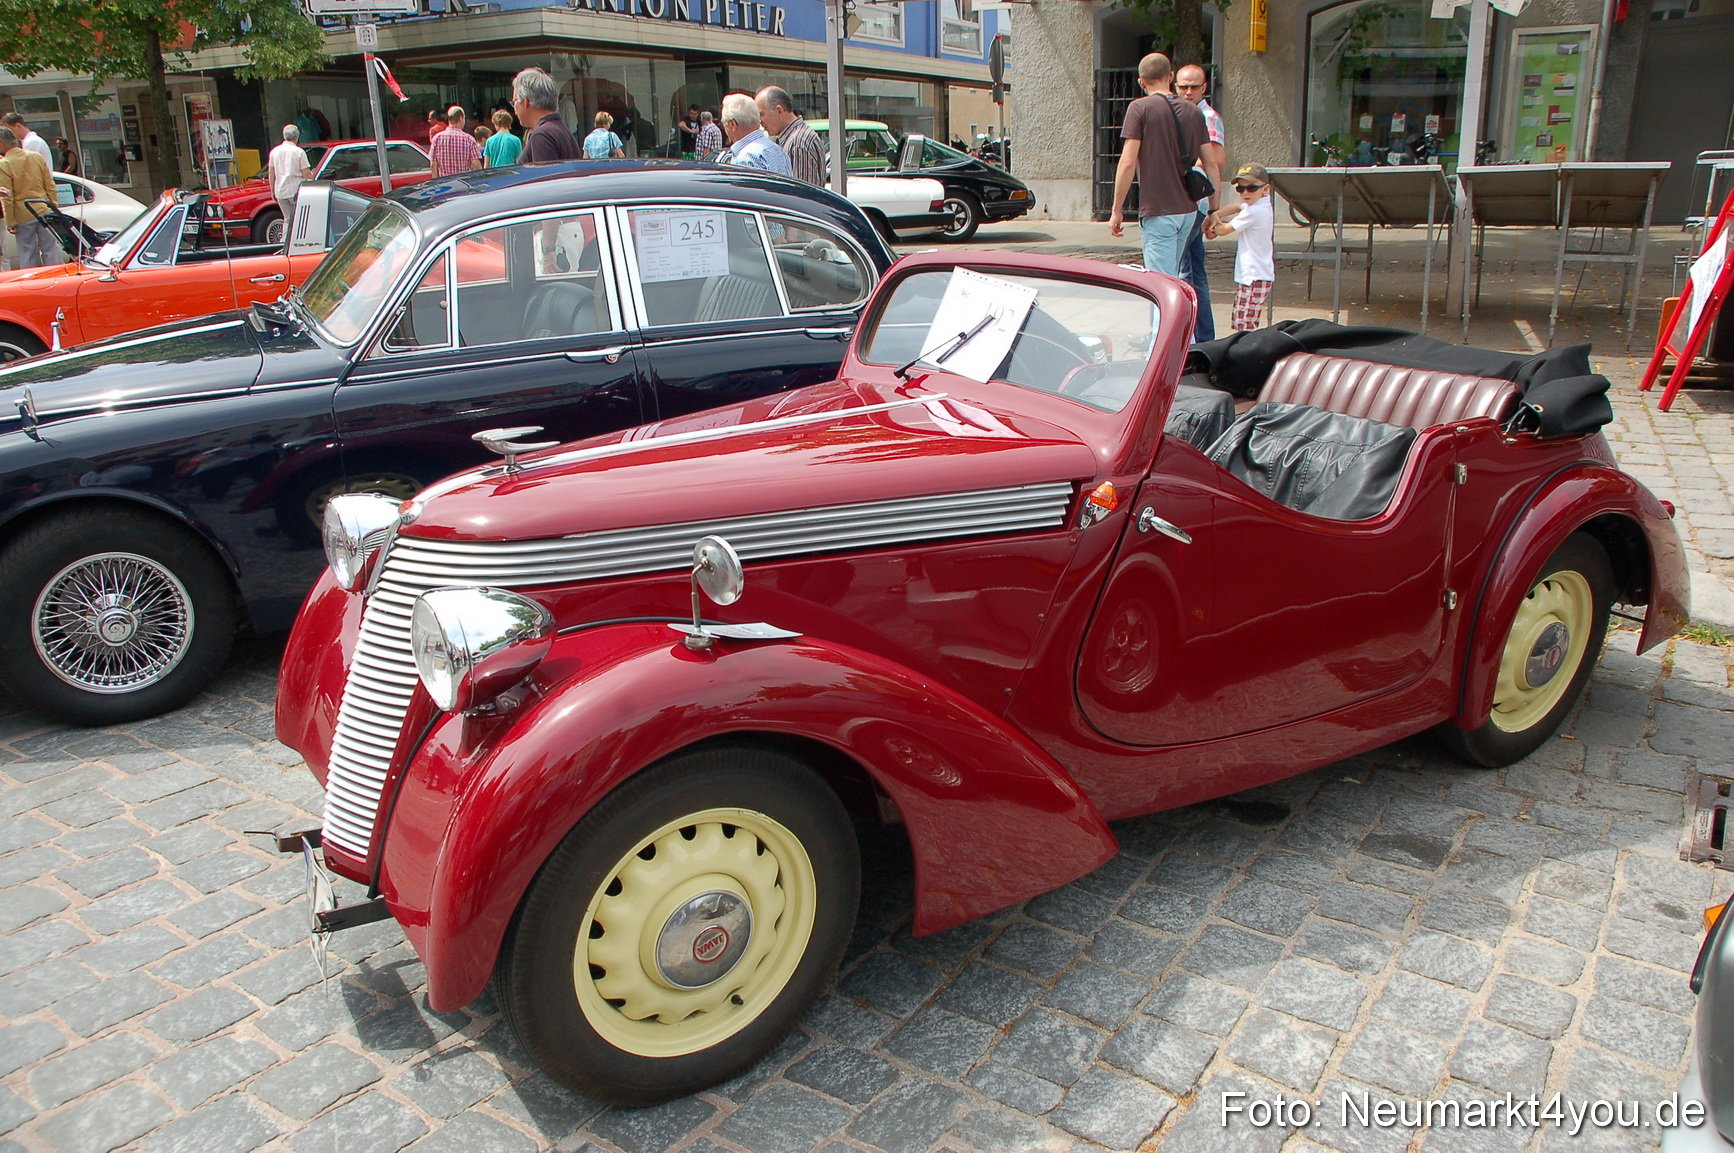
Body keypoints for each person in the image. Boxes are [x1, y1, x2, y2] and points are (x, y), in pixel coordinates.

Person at [1107, 52, 1207, 278]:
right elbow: (1211, 161)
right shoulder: (1194, 111)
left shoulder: (1139, 108)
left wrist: (1117, 210)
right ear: (1171, 76)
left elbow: (1127, 162)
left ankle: (1168, 315)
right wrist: (1215, 207)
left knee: (1161, 283)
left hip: (1158, 209)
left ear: (1141, 82)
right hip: (1187, 210)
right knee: (1174, 277)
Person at [1175, 63, 1225, 342]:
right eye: (1183, 86)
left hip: (1195, 202)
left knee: (1185, 272)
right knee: (1193, 269)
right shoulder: (1183, 113)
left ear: (1205, 87)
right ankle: (1202, 336)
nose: (1189, 91)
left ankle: (1190, 338)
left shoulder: (1207, 117)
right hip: (1190, 201)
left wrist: (1214, 209)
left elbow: (1215, 161)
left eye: (1195, 86)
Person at [1204, 163, 1275, 332]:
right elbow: (1236, 206)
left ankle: (1247, 354)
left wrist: (1212, 227)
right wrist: (1217, 214)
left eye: (1251, 188)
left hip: (1254, 275)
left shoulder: (1254, 212)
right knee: (1240, 319)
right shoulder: (1258, 205)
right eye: (1240, 188)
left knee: (1246, 324)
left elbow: (1224, 230)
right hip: (1252, 275)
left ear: (1265, 189)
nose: (1245, 193)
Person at [0, 127, 61, 268]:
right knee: (50, 250)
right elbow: (49, 184)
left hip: (23, 213)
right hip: (44, 208)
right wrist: (53, 207)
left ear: (1, 142)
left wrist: (10, 221)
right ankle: (55, 280)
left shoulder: (4, 164)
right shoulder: (35, 156)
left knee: (27, 253)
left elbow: (7, 196)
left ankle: (29, 285)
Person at [756, 86, 824, 186]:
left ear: (779, 110)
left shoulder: (798, 143)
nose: (760, 121)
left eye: (761, 114)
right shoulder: (794, 138)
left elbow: (801, 194)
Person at [512, 68, 581, 162]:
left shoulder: (542, 136)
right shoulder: (561, 130)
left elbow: (544, 176)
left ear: (525, 101)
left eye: (514, 102)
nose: (514, 110)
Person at [716, 93, 791, 176]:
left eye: (723, 123)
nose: (724, 127)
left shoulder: (745, 159)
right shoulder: (778, 150)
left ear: (732, 124)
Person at [267, 124, 312, 231]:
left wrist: (272, 190)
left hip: (280, 192)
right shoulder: (299, 152)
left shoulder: (274, 152)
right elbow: (307, 174)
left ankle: (284, 243)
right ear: (297, 137)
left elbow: (271, 173)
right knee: (300, 219)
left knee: (287, 219)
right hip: (296, 191)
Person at [430, 105, 483, 177]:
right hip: (463, 183)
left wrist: (436, 183)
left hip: (445, 184)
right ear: (461, 118)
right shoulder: (469, 140)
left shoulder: (437, 138)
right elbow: (476, 164)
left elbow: (433, 164)